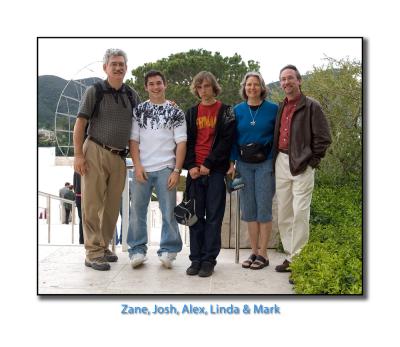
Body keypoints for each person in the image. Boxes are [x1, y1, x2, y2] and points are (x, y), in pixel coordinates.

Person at [73, 48, 140, 271]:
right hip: (95, 150)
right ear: (106, 67)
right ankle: (92, 253)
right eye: (114, 64)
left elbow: (142, 124)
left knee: (112, 207)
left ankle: (103, 246)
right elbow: (80, 124)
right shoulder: (95, 91)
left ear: (126, 67)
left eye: (122, 64)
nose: (118, 67)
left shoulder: (131, 94)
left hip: (120, 157)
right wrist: (79, 155)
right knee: (92, 204)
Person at [273, 64, 331, 273]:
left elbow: (324, 138)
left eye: (290, 78)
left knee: (300, 213)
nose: (286, 82)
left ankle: (299, 259)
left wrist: (312, 161)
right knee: (285, 213)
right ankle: (291, 255)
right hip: (281, 161)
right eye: (283, 79)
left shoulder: (312, 106)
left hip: (302, 165)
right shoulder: (281, 106)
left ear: (299, 81)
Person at [127, 70, 187, 269]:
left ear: (165, 84)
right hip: (142, 168)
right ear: (146, 87)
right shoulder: (139, 110)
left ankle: (168, 251)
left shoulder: (176, 112)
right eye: (151, 84)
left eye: (158, 83)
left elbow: (181, 143)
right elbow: (133, 141)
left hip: (166, 168)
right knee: (137, 211)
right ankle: (137, 250)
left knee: (168, 211)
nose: (155, 87)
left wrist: (176, 170)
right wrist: (137, 166)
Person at [183, 71, 235, 277]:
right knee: (193, 217)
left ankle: (208, 260)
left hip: (214, 172)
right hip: (195, 172)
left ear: (214, 87)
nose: (203, 91)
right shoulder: (191, 113)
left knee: (214, 217)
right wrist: (192, 166)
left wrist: (208, 164)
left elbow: (226, 141)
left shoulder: (226, 111)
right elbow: (185, 142)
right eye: (199, 87)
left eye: (206, 86)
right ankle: (195, 259)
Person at [227, 71, 278, 270]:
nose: (252, 88)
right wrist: (231, 162)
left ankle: (264, 255)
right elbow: (232, 138)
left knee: (263, 209)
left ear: (262, 87)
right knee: (249, 210)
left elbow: (278, 136)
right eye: (249, 84)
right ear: (244, 87)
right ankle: (254, 252)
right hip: (244, 164)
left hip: (266, 164)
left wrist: (275, 160)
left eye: (256, 84)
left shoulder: (273, 109)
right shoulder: (237, 110)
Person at [73, 172, 84, 244]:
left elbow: (74, 185)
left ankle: (82, 240)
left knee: (82, 220)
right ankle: (87, 240)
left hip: (78, 197)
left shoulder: (77, 170)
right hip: (86, 197)